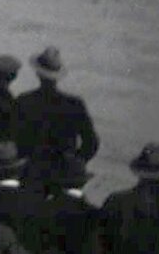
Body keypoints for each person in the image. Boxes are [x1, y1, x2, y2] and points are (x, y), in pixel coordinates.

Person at [9, 47, 100, 181]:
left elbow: (12, 135)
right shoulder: (74, 104)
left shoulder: (24, 100)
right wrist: (76, 161)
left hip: (30, 170)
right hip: (63, 171)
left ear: (37, 73)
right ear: (58, 76)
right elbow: (91, 142)